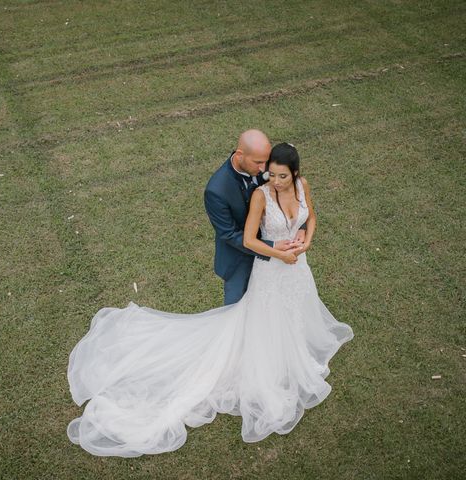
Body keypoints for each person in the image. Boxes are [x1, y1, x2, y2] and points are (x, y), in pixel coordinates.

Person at [66, 142, 354, 457]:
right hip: (272, 271)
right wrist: (279, 254)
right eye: (271, 174)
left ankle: (293, 352)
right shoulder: (261, 196)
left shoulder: (302, 186)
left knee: (294, 313)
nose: (276, 181)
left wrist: (305, 240)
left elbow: (310, 217)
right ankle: (270, 362)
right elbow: (248, 239)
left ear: (295, 173)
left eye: (282, 176)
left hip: (298, 270)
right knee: (266, 319)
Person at [204, 129, 305, 305]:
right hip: (239, 261)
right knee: (236, 311)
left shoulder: (265, 167)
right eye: (258, 162)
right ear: (239, 155)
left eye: (266, 161)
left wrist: (301, 227)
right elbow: (229, 234)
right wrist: (271, 247)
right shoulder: (216, 190)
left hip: (276, 258)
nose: (264, 169)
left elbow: (293, 194)